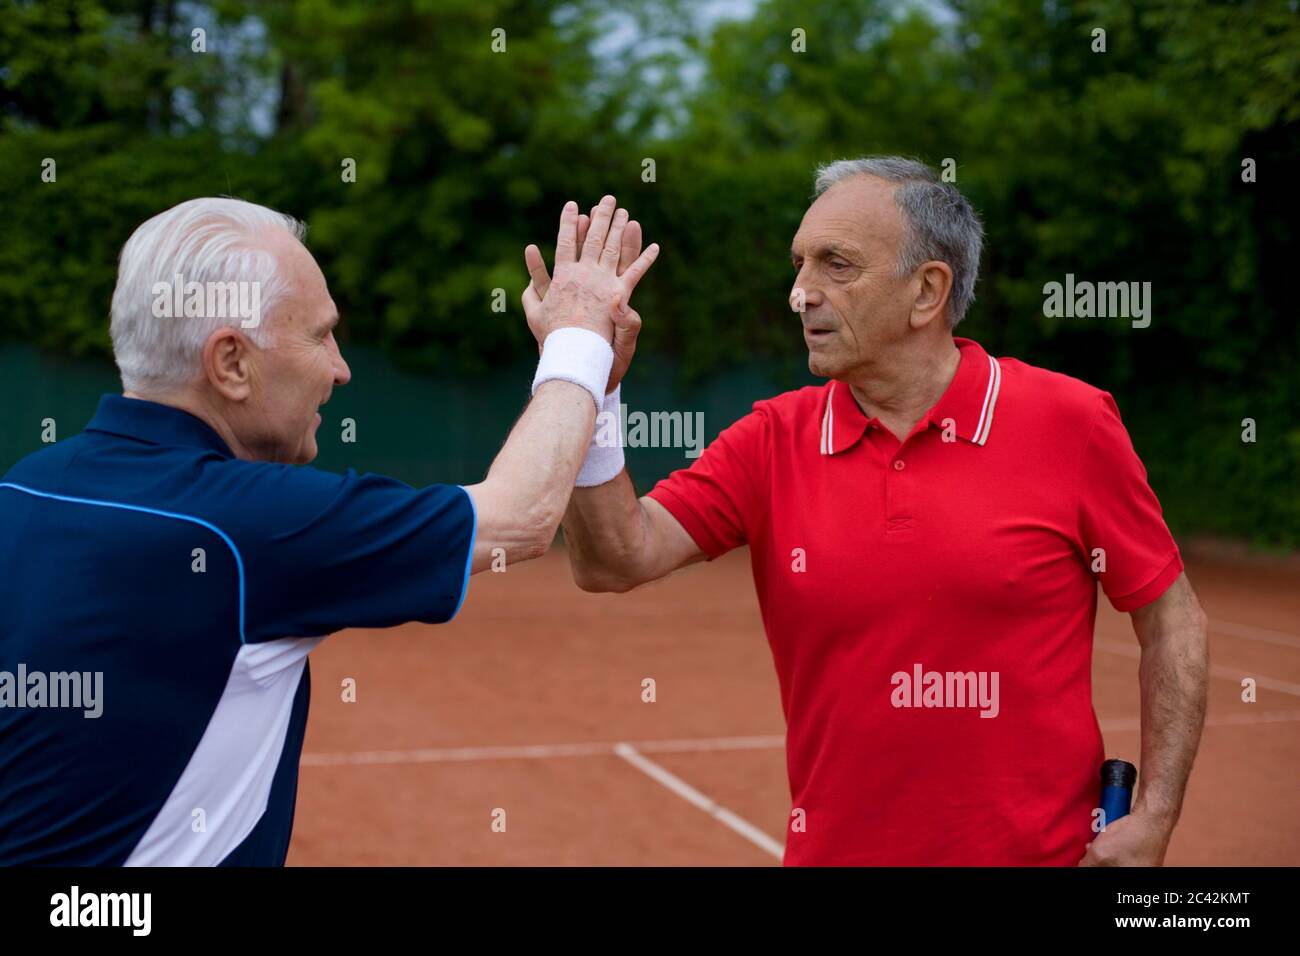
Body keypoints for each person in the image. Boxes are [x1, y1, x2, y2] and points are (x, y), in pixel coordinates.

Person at [523, 157, 1209, 866]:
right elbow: (612, 560)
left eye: (837, 265)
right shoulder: (771, 440)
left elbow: (1173, 618)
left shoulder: (1070, 422)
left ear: (927, 292)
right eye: (798, 265)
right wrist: (592, 381)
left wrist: (1155, 816)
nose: (800, 293)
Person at [0, 194, 656, 865]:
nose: (340, 368)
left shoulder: (21, 488)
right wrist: (581, 336)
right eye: (319, 336)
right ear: (230, 363)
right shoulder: (245, 526)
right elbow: (522, 515)